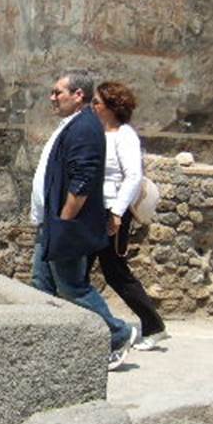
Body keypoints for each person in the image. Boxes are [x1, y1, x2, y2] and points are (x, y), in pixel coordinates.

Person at [31, 70, 137, 370]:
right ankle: (45, 347)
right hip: (51, 224)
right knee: (42, 285)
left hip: (65, 226)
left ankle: (118, 334)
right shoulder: (72, 124)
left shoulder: (84, 128)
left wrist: (64, 221)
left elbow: (83, 180)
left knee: (72, 288)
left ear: (78, 95)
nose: (52, 97)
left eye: (58, 92)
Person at [91, 81, 168, 350]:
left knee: (115, 272)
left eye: (97, 102)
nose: (93, 106)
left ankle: (154, 326)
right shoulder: (99, 132)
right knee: (80, 270)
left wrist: (116, 212)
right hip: (94, 210)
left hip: (112, 212)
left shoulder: (125, 136)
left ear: (112, 107)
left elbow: (133, 176)